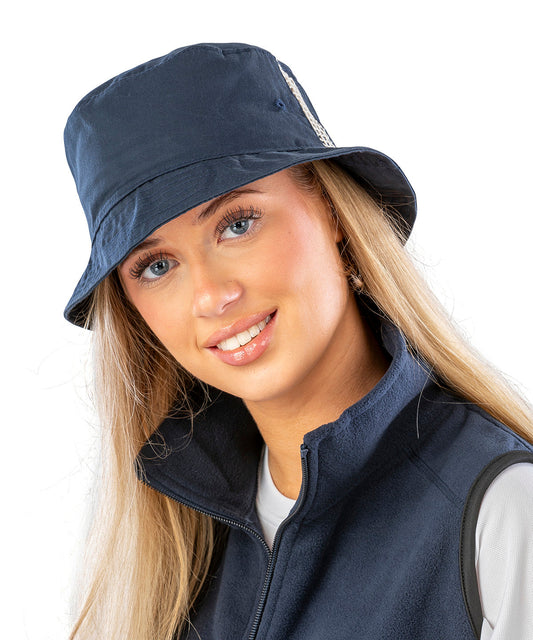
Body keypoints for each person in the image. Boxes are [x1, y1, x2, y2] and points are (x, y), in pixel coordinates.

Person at [63, 43, 533, 640]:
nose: (211, 296)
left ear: (332, 211)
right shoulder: (169, 553)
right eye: (157, 266)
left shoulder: (503, 509)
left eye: (237, 224)